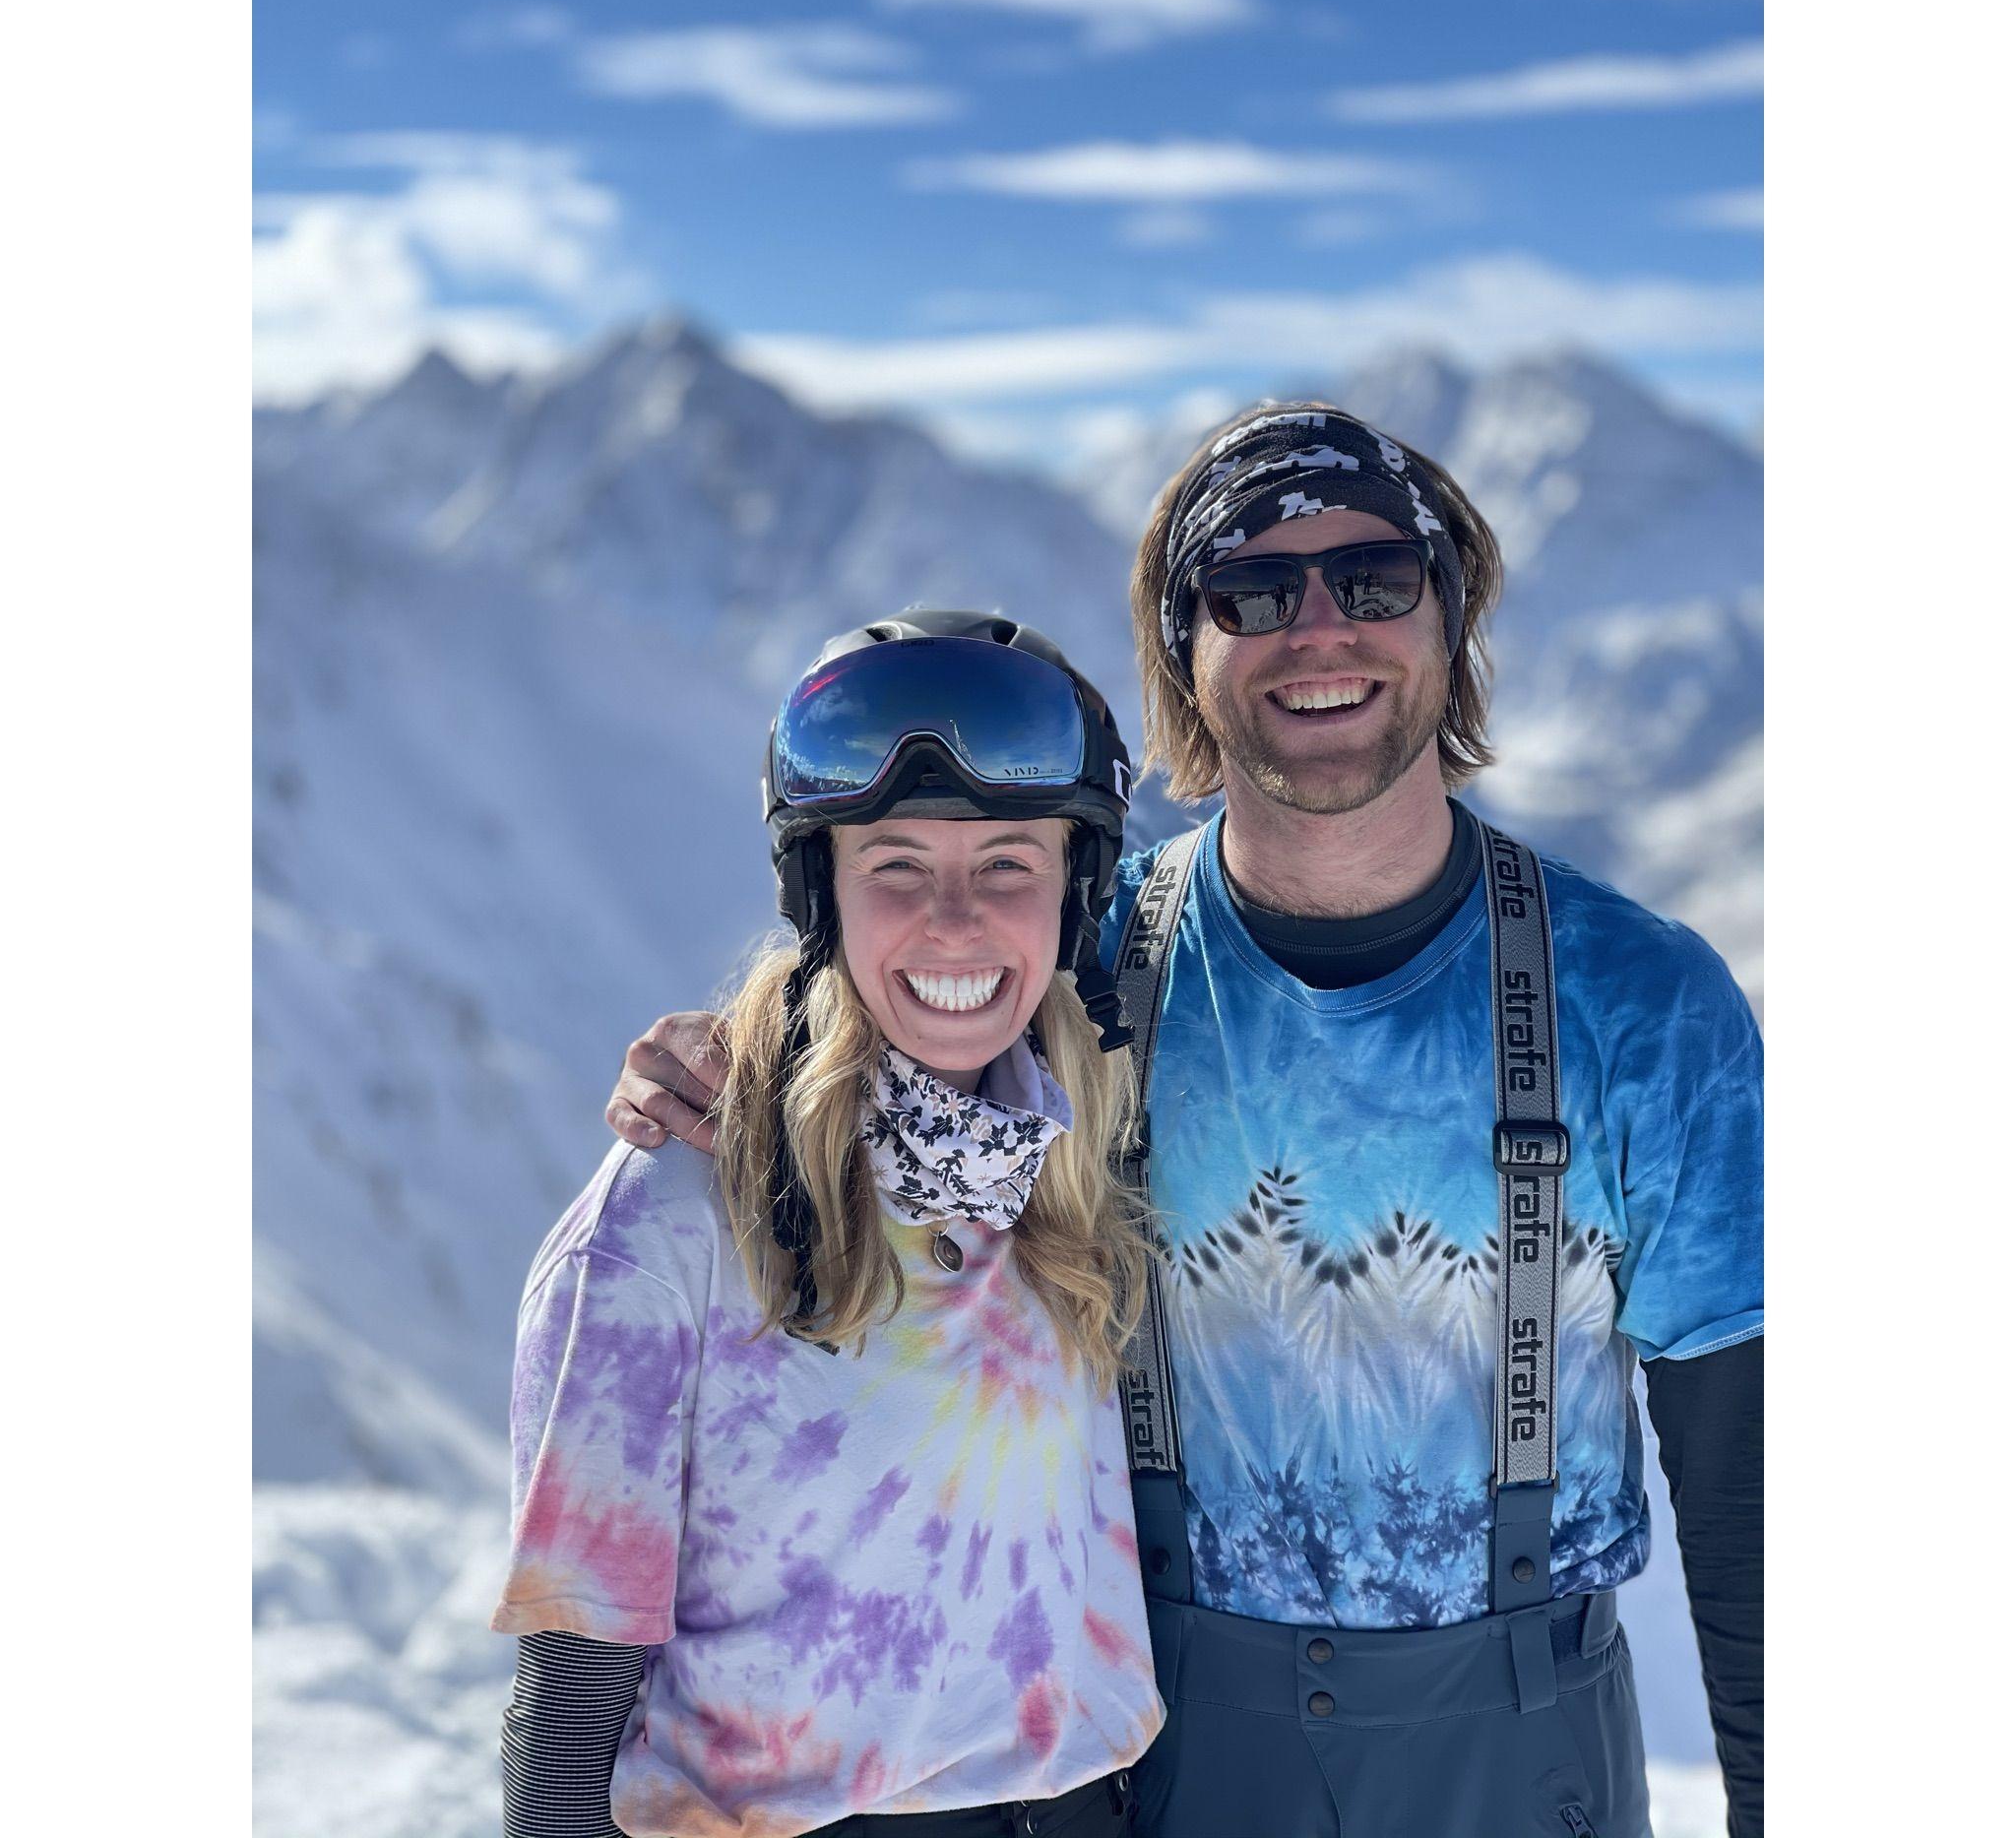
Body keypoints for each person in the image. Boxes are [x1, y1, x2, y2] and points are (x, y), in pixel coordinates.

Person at [607, 405, 1764, 1838]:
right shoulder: (1082, 968)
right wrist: (743, 1052)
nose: (1321, 629)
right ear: (1184, 656)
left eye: (1380, 580)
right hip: (1162, 1739)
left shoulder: (1644, 1004)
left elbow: (1751, 1494)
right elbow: (888, 1036)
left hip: (1525, 1757)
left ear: (1452, 621)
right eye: (1253, 593)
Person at [493, 611, 1167, 1838]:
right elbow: (575, 1675)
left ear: (1072, 901)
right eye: (894, 866)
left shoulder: (1069, 1157)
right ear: (823, 894)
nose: (954, 919)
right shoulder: (677, 1210)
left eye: (1009, 863)